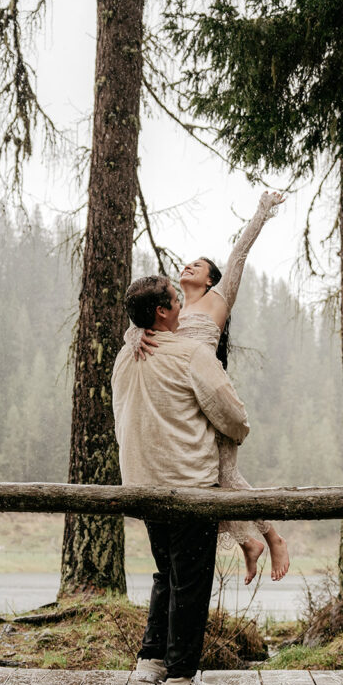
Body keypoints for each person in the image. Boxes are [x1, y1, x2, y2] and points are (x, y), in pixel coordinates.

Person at [126, 190, 290, 587]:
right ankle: (250, 542)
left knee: (226, 474)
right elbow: (138, 321)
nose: (189, 266)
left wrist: (262, 211)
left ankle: (271, 537)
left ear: (212, 279)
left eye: (198, 265)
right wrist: (134, 337)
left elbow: (238, 256)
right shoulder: (169, 312)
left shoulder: (217, 301)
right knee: (210, 478)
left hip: (211, 392)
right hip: (185, 400)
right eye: (187, 263)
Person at [112, 272, 250, 685]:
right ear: (163, 311)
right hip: (189, 485)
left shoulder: (125, 355)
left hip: (142, 484)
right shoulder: (191, 354)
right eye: (176, 299)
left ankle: (152, 659)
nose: (182, 304)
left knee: (166, 573)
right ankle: (180, 680)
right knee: (190, 581)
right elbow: (233, 418)